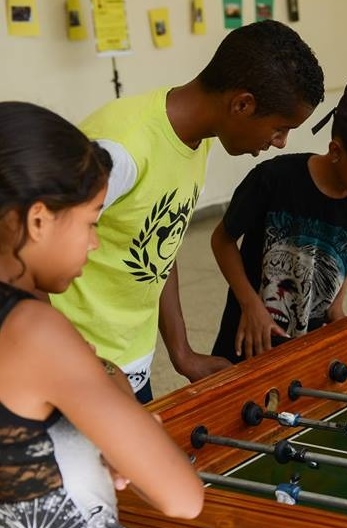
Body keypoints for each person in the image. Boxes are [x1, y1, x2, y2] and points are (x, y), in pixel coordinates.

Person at [50, 20, 325, 402]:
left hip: (130, 364)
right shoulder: (121, 149)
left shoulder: (198, 139)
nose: (280, 143)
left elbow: (159, 245)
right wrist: (70, 364)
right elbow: (23, 255)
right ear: (242, 104)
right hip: (71, 374)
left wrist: (182, 353)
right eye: (280, 128)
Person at [0, 102, 203, 528]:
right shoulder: (33, 331)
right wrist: (129, 431)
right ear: (38, 220)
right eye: (91, 221)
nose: (93, 243)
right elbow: (182, 495)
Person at [211, 78, 347, 362]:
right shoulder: (273, 179)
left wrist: (336, 306)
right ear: (336, 151)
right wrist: (250, 305)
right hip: (250, 337)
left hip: (311, 345)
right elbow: (222, 240)